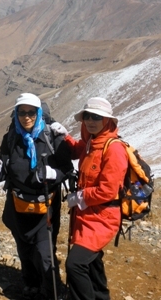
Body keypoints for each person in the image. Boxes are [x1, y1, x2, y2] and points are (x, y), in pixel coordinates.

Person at [0, 92, 73, 300]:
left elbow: (67, 168)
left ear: (39, 114)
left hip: (46, 206)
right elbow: (6, 169)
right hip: (18, 205)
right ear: (16, 114)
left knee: (45, 254)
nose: (26, 117)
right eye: (22, 112)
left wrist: (55, 174)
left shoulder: (53, 137)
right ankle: (30, 283)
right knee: (24, 247)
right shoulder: (10, 138)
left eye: (31, 113)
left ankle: (53, 291)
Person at [50, 97, 128, 300]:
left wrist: (80, 196)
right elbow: (77, 150)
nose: (91, 121)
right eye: (87, 116)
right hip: (87, 214)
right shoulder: (90, 143)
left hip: (103, 217)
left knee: (75, 264)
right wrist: (65, 136)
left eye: (97, 117)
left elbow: (108, 191)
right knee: (91, 261)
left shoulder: (114, 149)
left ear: (107, 121)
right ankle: (101, 296)